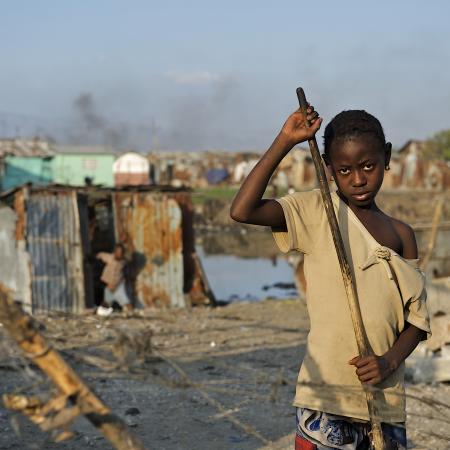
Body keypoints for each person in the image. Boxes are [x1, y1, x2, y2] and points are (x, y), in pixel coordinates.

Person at [230, 104, 430, 450]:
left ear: (387, 157)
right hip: (324, 399)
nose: (358, 179)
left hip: (385, 403)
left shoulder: (402, 234)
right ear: (329, 169)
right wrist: (286, 141)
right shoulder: (317, 212)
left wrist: (390, 361)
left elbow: (416, 319)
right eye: (344, 170)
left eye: (368, 166)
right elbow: (242, 210)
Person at [96, 243, 133, 314]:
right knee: (106, 302)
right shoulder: (109, 258)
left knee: (126, 302)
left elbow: (130, 257)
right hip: (109, 285)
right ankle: (101, 312)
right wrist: (95, 257)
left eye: (121, 253)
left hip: (118, 286)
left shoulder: (124, 261)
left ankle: (131, 313)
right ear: (115, 252)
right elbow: (100, 255)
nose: (119, 254)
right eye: (118, 252)